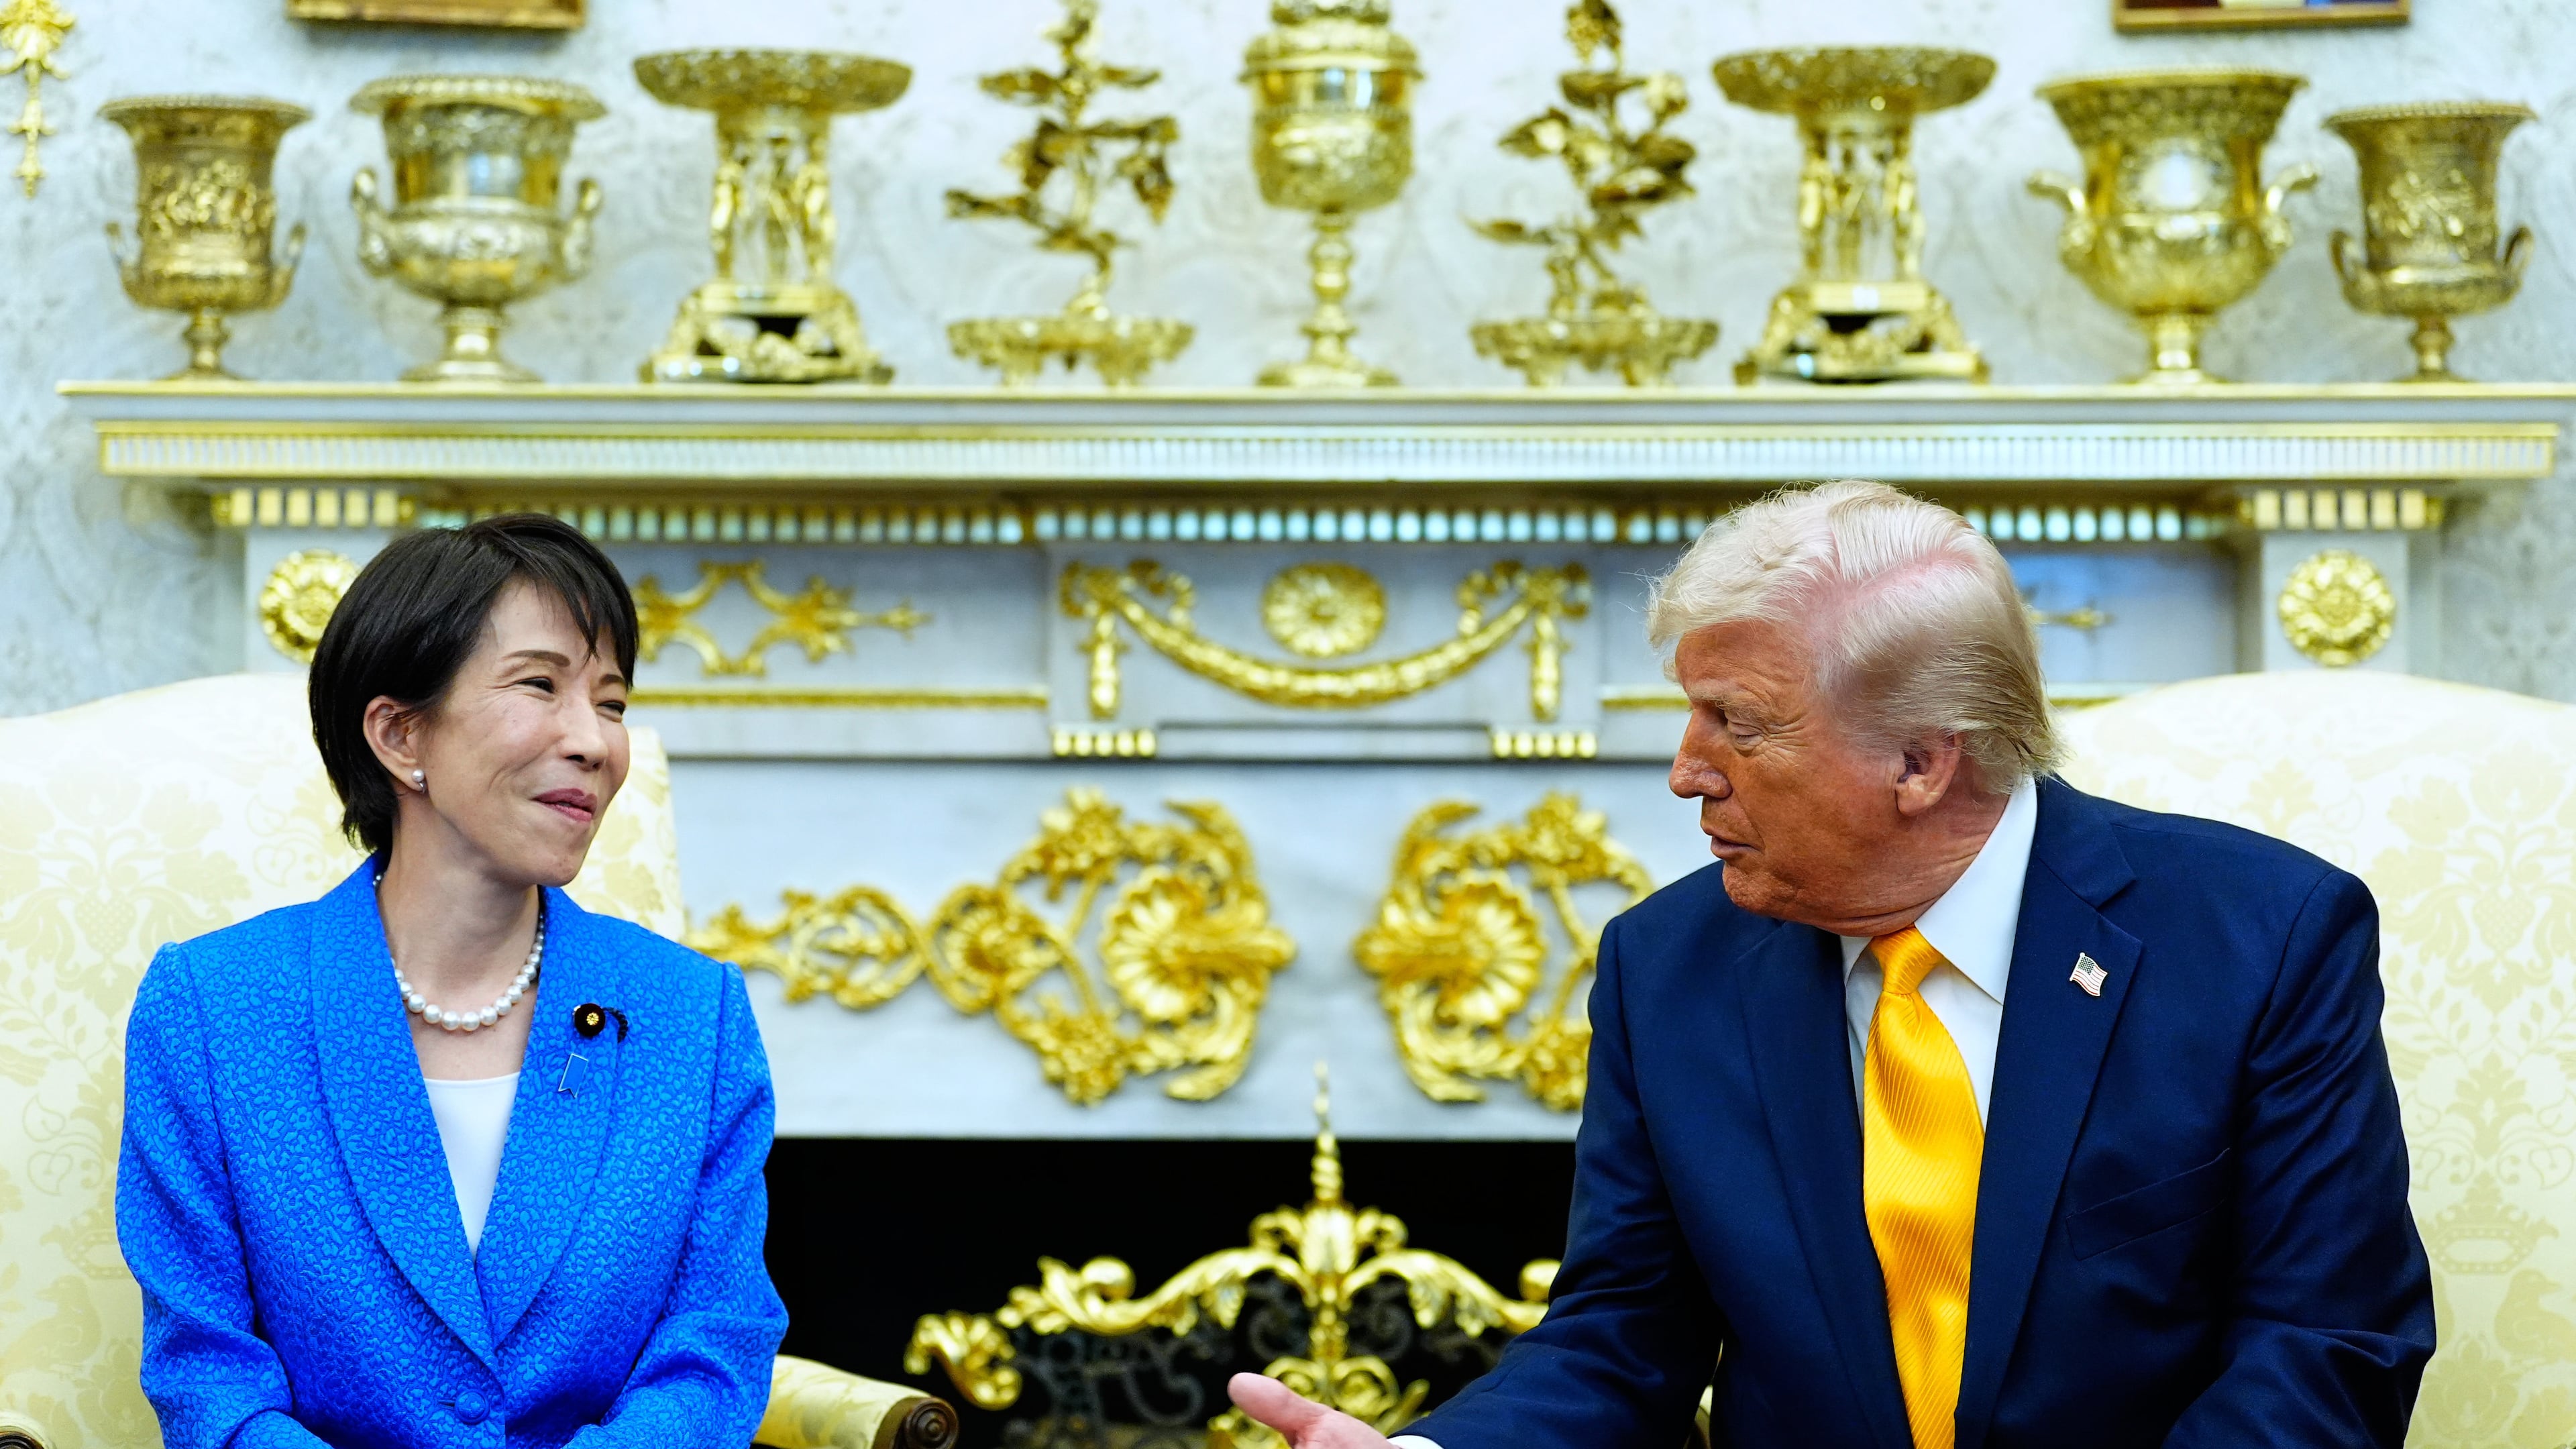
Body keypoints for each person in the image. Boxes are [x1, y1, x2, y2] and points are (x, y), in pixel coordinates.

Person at [1229, 480, 2432, 1448]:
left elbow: (2324, 1351)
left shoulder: (2262, 937)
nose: (1687, 770)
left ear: (1922, 761)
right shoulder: (1667, 967)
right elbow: (1625, 1336)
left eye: (1738, 724)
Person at [117, 515, 788, 1449]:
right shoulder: (212, 1011)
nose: (595, 742)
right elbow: (207, 1375)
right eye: (541, 686)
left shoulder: (694, 1017)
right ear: (399, 735)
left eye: (613, 701)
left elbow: (715, 1348)